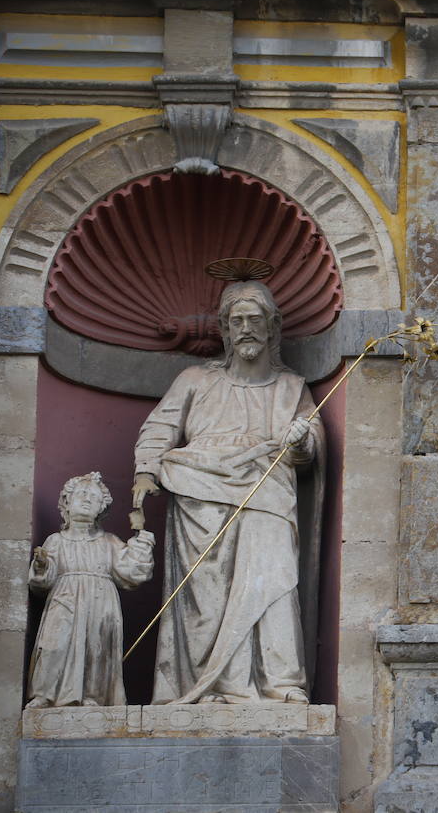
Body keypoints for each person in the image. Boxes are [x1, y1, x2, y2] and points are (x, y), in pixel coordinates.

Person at [132, 280, 325, 705]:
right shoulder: (195, 379)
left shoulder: (291, 388)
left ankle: (279, 682)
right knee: (206, 595)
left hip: (266, 493)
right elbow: (160, 428)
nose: (246, 328)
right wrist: (146, 471)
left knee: (272, 582)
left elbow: (310, 451)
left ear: (273, 327)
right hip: (197, 496)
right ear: (224, 329)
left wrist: (301, 441)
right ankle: (202, 685)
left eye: (255, 319)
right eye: (236, 321)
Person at [27, 472, 155, 708]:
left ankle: (92, 696)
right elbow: (42, 582)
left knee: (96, 648)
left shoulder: (109, 541)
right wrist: (42, 565)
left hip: (100, 602)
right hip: (64, 600)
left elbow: (133, 572)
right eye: (82, 495)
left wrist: (141, 540)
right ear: (67, 502)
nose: (87, 500)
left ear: (101, 508)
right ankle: (46, 694)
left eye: (94, 497)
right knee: (54, 644)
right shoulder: (56, 540)